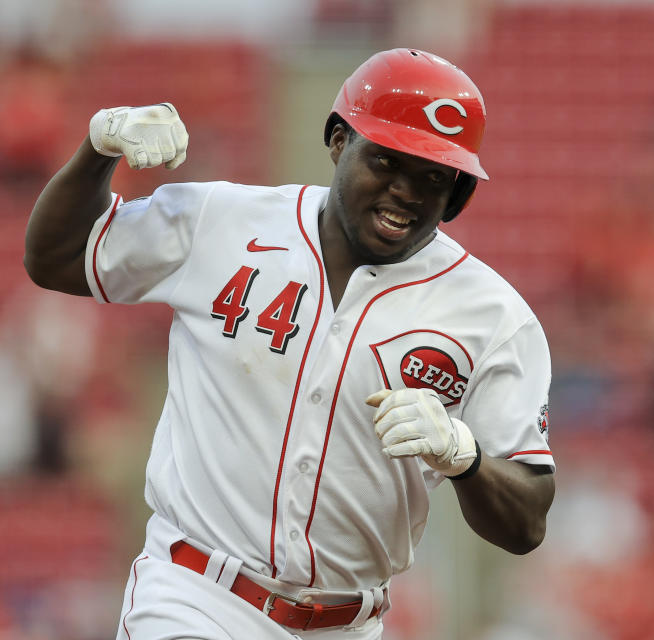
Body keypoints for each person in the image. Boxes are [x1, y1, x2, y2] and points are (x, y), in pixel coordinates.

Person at [23, 48, 555, 640]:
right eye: (386, 161)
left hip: (348, 623)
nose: (406, 191)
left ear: (458, 194)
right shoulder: (222, 221)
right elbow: (57, 258)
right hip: (197, 595)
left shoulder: (495, 318)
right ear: (337, 141)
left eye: (433, 177)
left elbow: (527, 520)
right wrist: (99, 150)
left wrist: (465, 456)